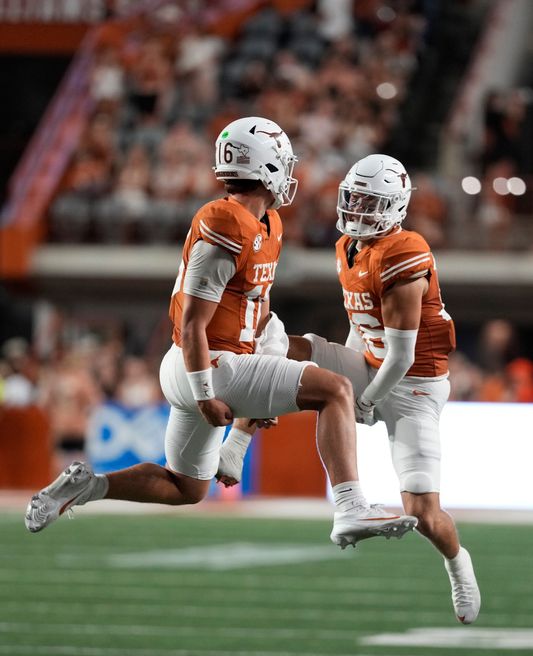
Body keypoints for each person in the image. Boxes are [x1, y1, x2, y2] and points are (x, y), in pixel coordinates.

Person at [25, 122, 417, 547]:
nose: (288, 173)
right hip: (208, 364)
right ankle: (350, 507)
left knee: (185, 487)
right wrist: (204, 392)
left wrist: (266, 367)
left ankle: (87, 487)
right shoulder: (226, 221)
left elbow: (259, 309)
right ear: (266, 166)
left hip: (211, 363)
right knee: (335, 389)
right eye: (282, 163)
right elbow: (193, 320)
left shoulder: (267, 223)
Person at [217, 153, 481, 624]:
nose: (357, 208)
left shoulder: (405, 252)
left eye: (369, 201)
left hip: (415, 388)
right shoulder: (348, 247)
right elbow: (363, 328)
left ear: (396, 206)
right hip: (375, 365)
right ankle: (237, 442)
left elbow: (401, 356)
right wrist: (342, 373)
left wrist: (365, 399)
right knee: (277, 344)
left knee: (421, 511)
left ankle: (458, 563)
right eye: (353, 198)